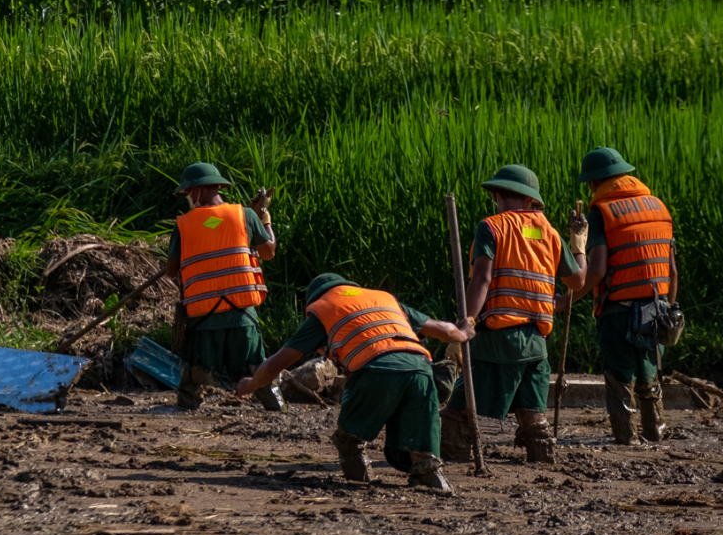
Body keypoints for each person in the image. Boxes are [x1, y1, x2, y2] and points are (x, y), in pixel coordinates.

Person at [238, 273, 475, 491]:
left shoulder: (323, 309)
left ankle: (358, 476)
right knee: (422, 439)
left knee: (349, 436)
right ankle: (430, 475)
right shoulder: (384, 299)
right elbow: (443, 330)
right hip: (421, 370)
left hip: (374, 370)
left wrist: (250, 384)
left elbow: (276, 363)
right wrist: (463, 333)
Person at [440, 164, 585, 465]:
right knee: (533, 414)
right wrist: (579, 245)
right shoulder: (550, 233)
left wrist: (463, 326)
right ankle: (541, 458)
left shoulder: (491, 227)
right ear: (531, 200)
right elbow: (578, 282)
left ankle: (452, 457)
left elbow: (481, 279)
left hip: (497, 338)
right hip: (536, 342)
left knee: (459, 410)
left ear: (496, 194)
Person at [571, 147, 678, 445]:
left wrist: (566, 301)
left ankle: (626, 439)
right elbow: (672, 273)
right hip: (657, 311)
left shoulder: (600, 213)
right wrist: (668, 309)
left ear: (594, 183)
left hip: (619, 312)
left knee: (619, 378)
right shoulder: (658, 206)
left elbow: (596, 271)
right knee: (649, 376)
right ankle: (654, 432)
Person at [165, 161, 285, 412]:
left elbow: (171, 271)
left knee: (193, 378)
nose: (188, 198)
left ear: (196, 191)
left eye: (188, 193)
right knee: (259, 369)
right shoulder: (246, 215)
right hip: (242, 316)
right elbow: (269, 252)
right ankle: (278, 409)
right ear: (218, 186)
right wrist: (264, 220)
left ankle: (185, 412)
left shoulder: (184, 224)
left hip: (202, 318)